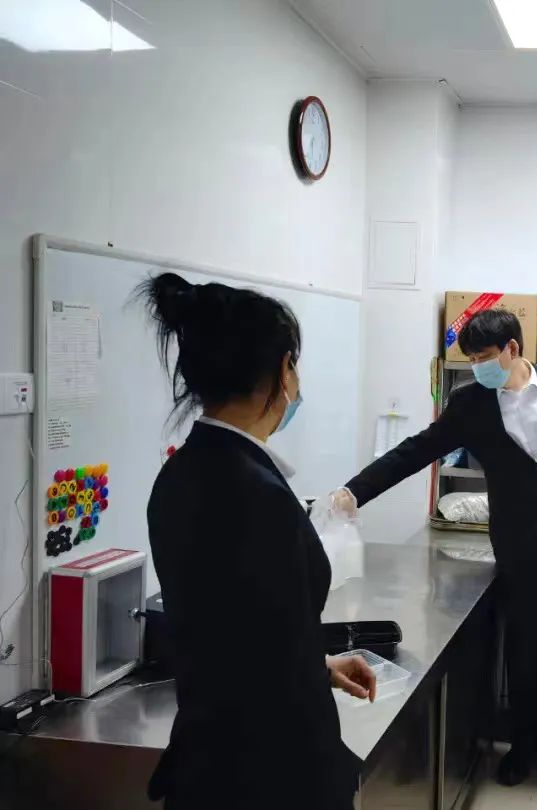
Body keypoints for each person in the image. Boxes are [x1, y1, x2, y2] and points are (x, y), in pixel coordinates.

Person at [336, 308, 537, 796]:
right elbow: (416, 450)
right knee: (525, 656)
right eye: (469, 359)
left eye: (484, 356)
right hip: (520, 549)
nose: (477, 367)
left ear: (513, 348)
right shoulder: (470, 403)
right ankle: (523, 748)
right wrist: (354, 491)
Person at [139, 273, 376, 810]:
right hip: (271, 773)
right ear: (281, 369)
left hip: (210, 760)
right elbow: (271, 664)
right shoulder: (258, 493)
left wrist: (320, 665)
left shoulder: (180, 475)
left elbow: (244, 632)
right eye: (295, 364)